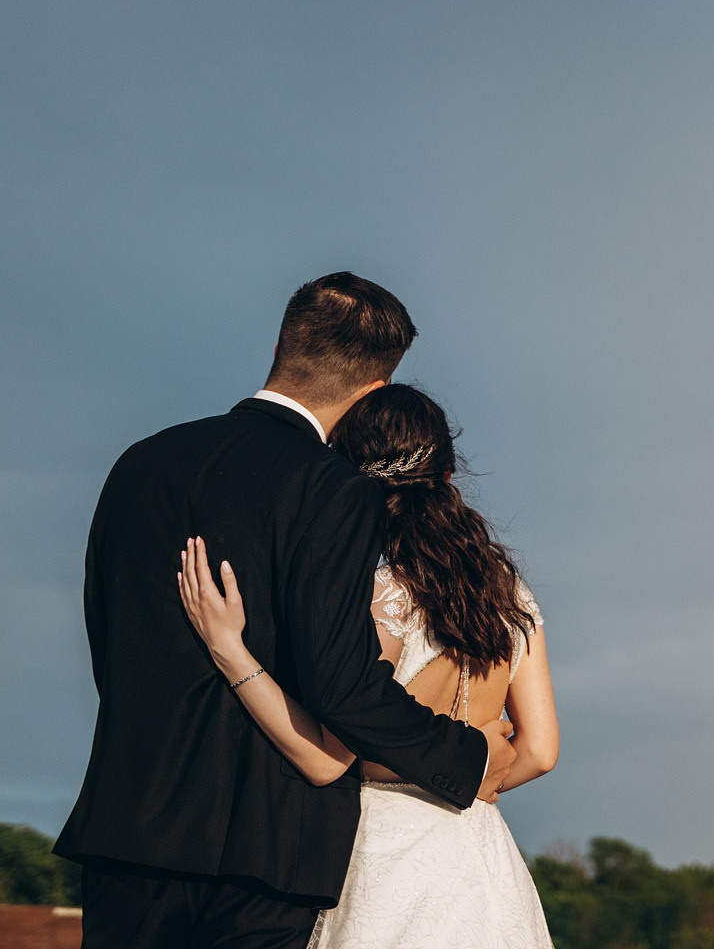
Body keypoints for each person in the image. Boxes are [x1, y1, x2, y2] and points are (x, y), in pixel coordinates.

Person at [56, 273, 516, 949]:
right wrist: (463, 754)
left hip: (131, 835)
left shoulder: (139, 464)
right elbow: (344, 687)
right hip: (267, 853)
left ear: (281, 343)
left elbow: (110, 647)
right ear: (375, 391)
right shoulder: (334, 491)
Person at [176, 382, 559, 949]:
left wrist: (228, 648)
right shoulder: (508, 594)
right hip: (483, 863)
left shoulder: (382, 598)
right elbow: (540, 752)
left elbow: (324, 757)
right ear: (449, 477)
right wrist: (475, 772)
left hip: (385, 861)